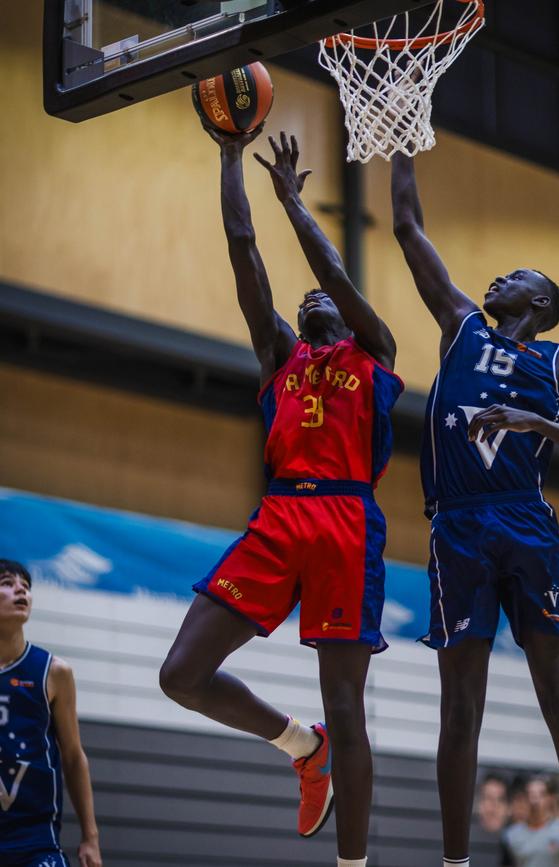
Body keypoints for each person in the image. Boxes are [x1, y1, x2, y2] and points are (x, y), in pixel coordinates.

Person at [160, 113, 401, 867]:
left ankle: (351, 863)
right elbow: (244, 253)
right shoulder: (280, 360)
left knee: (349, 705)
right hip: (280, 511)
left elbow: (333, 277)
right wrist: (232, 158)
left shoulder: (375, 350)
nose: (307, 299)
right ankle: (302, 747)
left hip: (344, 514)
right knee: (180, 675)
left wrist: (297, 205)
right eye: (297, 305)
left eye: (316, 299)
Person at [391, 151, 559, 867]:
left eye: (516, 276)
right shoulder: (461, 324)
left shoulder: (558, 363)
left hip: (525, 519)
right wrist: (402, 130)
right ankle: (456, 862)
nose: (498, 278)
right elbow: (405, 225)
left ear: (539, 303)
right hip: (456, 524)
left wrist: (539, 425)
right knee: (460, 708)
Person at [0, 559, 102, 867]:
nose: (21, 590)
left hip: (36, 841)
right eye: (7, 582)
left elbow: (73, 756)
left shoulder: (53, 672)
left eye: (26, 586)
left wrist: (90, 838)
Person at [500, 777, 559, 867]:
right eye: (530, 794)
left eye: (541, 794)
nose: (535, 800)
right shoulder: (511, 835)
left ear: (550, 798)